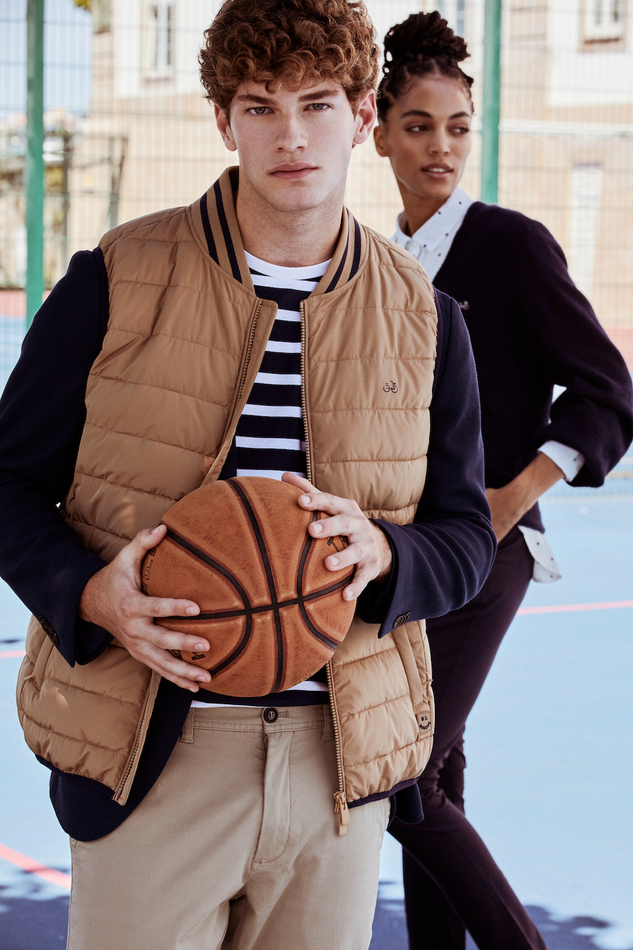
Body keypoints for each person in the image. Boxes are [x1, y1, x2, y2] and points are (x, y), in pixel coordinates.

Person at [0, 2, 496, 949]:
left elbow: (465, 540)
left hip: (336, 767)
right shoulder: (116, 279)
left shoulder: (426, 317)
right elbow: (7, 484)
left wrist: (385, 554)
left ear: (360, 115)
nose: (290, 137)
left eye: (316, 105)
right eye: (260, 107)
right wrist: (91, 596)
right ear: (224, 122)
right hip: (153, 755)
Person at [373, 11, 633, 950]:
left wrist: (511, 498)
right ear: (378, 135)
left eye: (455, 127)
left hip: (484, 552)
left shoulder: (511, 245)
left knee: (398, 778)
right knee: (435, 775)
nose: (439, 147)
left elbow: (607, 391)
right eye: (416, 126)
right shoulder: (370, 262)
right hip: (396, 559)